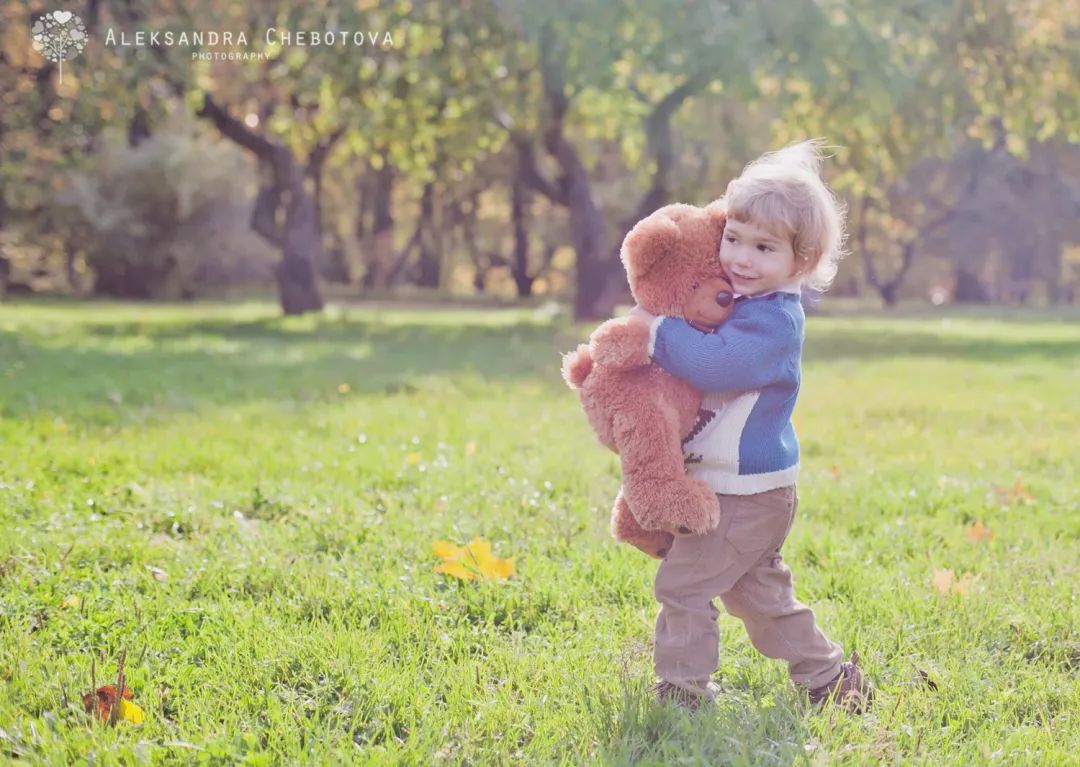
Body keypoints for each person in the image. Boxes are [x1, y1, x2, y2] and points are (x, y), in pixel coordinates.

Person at [631, 139, 873, 714]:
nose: (741, 257)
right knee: (757, 597)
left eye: (763, 247)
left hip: (745, 493)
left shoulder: (775, 322)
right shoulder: (745, 300)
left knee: (683, 586)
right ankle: (830, 678)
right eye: (733, 238)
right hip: (745, 490)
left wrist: (655, 331)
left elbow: (717, 363)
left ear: (802, 261)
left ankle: (682, 693)